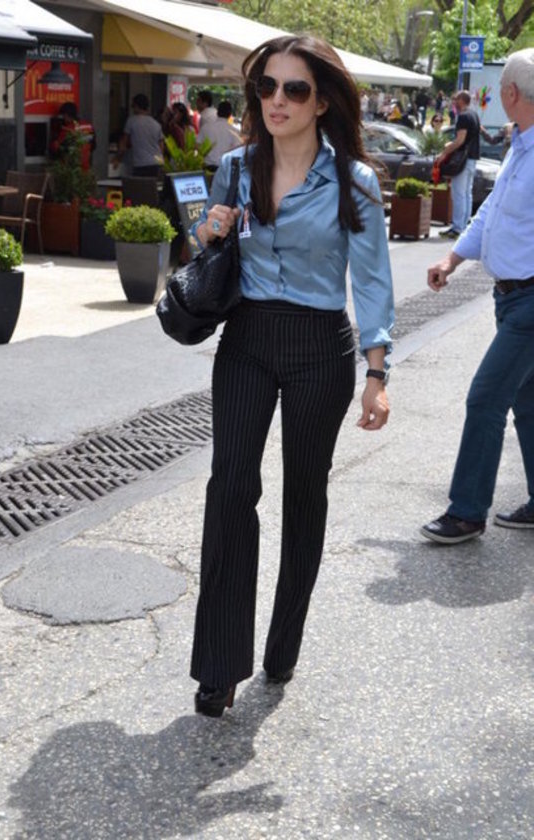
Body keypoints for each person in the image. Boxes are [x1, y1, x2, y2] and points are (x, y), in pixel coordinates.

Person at [189, 34, 394, 716]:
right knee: (230, 488)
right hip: (247, 338)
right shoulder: (236, 167)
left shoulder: (353, 181)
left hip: (319, 348)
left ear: (322, 100)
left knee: (304, 495)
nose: (277, 100)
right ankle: (220, 663)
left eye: (295, 89)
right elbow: (206, 247)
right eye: (267, 87)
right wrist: (209, 232)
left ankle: (283, 645)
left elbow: (371, 280)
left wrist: (377, 372)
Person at [421, 48, 534, 545]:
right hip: (512, 299)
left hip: (529, 304)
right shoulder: (521, 144)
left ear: (509, 93)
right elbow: (491, 214)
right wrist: (452, 259)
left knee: (486, 398)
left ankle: (467, 512)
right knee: (527, 401)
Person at [435, 90, 480, 239]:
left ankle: (457, 228)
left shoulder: (463, 116)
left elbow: (460, 140)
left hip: (462, 160)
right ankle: (465, 225)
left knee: (459, 194)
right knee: (467, 193)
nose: (454, 102)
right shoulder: (474, 114)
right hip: (472, 158)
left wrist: (444, 153)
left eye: (456, 99)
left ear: (462, 100)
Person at [113, 94, 163, 176]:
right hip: (157, 163)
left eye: (133, 106)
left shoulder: (132, 121)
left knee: (139, 184)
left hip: (141, 163)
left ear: (136, 106)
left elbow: (123, 145)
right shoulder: (156, 124)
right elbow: (161, 147)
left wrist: (117, 159)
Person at [48, 101, 96, 170]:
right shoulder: (88, 126)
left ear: (66, 115)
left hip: (70, 170)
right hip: (85, 168)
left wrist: (54, 137)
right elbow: (93, 146)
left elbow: (56, 149)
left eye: (63, 116)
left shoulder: (67, 130)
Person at [197, 100, 242, 170]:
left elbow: (197, 146)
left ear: (217, 112)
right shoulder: (235, 131)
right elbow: (237, 150)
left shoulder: (206, 127)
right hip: (224, 168)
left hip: (206, 168)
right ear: (230, 114)